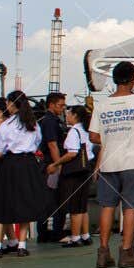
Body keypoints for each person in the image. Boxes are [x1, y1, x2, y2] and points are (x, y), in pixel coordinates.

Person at [90, 60, 134, 268]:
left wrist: (111, 139)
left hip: (109, 163)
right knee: (131, 207)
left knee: (107, 207)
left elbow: (93, 136)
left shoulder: (102, 105)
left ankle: (103, 251)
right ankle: (126, 251)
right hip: (133, 161)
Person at [0, 91, 48, 257]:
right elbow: (38, 142)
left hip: (10, 164)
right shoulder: (33, 124)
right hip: (29, 164)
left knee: (2, 203)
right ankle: (22, 245)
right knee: (25, 202)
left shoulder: (6, 125)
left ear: (11, 104)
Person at [57, 104, 96, 247]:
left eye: (68, 114)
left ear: (74, 116)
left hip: (75, 170)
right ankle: (85, 235)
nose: (66, 116)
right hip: (87, 167)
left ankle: (75, 237)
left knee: (74, 206)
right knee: (82, 204)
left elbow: (72, 153)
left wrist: (56, 163)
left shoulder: (74, 131)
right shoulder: (86, 130)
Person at [36, 92, 69, 243]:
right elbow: (52, 144)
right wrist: (58, 164)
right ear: (51, 105)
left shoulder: (52, 120)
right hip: (51, 164)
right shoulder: (50, 121)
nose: (62, 109)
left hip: (50, 163)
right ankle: (54, 233)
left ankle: (46, 233)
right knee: (53, 200)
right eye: (60, 105)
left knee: (50, 200)